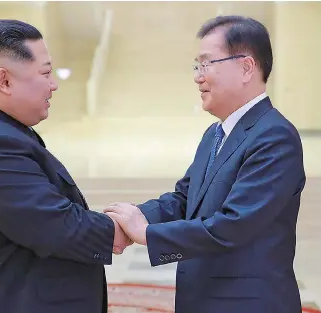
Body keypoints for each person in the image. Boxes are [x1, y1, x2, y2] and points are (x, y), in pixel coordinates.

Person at [104, 15, 306, 313]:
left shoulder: (274, 136)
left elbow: (234, 225)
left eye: (207, 64)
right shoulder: (216, 133)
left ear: (246, 67)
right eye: (196, 66)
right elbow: (185, 200)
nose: (198, 76)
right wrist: (124, 221)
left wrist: (146, 234)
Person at [0, 19, 131, 313]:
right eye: (45, 73)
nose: (53, 85)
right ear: (4, 80)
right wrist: (124, 229)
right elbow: (58, 227)